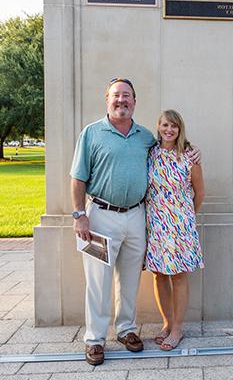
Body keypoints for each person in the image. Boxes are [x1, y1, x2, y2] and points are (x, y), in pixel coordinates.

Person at [70, 78, 200, 365]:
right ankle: (94, 339)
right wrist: (79, 216)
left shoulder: (145, 137)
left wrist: (192, 150)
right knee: (98, 282)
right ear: (107, 99)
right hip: (99, 218)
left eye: (127, 96)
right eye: (116, 95)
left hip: (136, 217)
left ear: (135, 101)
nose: (122, 100)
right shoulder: (91, 134)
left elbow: (171, 150)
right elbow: (78, 178)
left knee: (129, 279)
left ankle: (126, 330)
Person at [145, 109, 205, 350]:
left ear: (180, 130)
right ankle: (166, 323)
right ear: (158, 127)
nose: (169, 130)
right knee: (159, 274)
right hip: (156, 225)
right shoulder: (150, 154)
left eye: (174, 126)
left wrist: (187, 217)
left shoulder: (189, 157)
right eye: (165, 125)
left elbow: (200, 193)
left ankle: (178, 329)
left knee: (179, 275)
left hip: (180, 226)